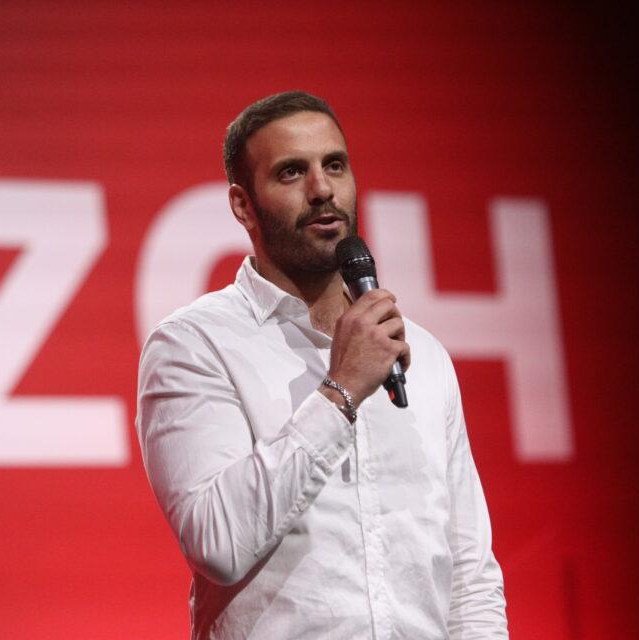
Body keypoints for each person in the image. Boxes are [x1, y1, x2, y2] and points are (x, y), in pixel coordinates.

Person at [136, 91, 508, 639]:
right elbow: (217, 544)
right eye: (291, 172)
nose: (322, 189)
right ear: (243, 205)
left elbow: (469, 577)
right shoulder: (194, 345)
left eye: (334, 165)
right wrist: (341, 391)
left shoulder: (422, 354)